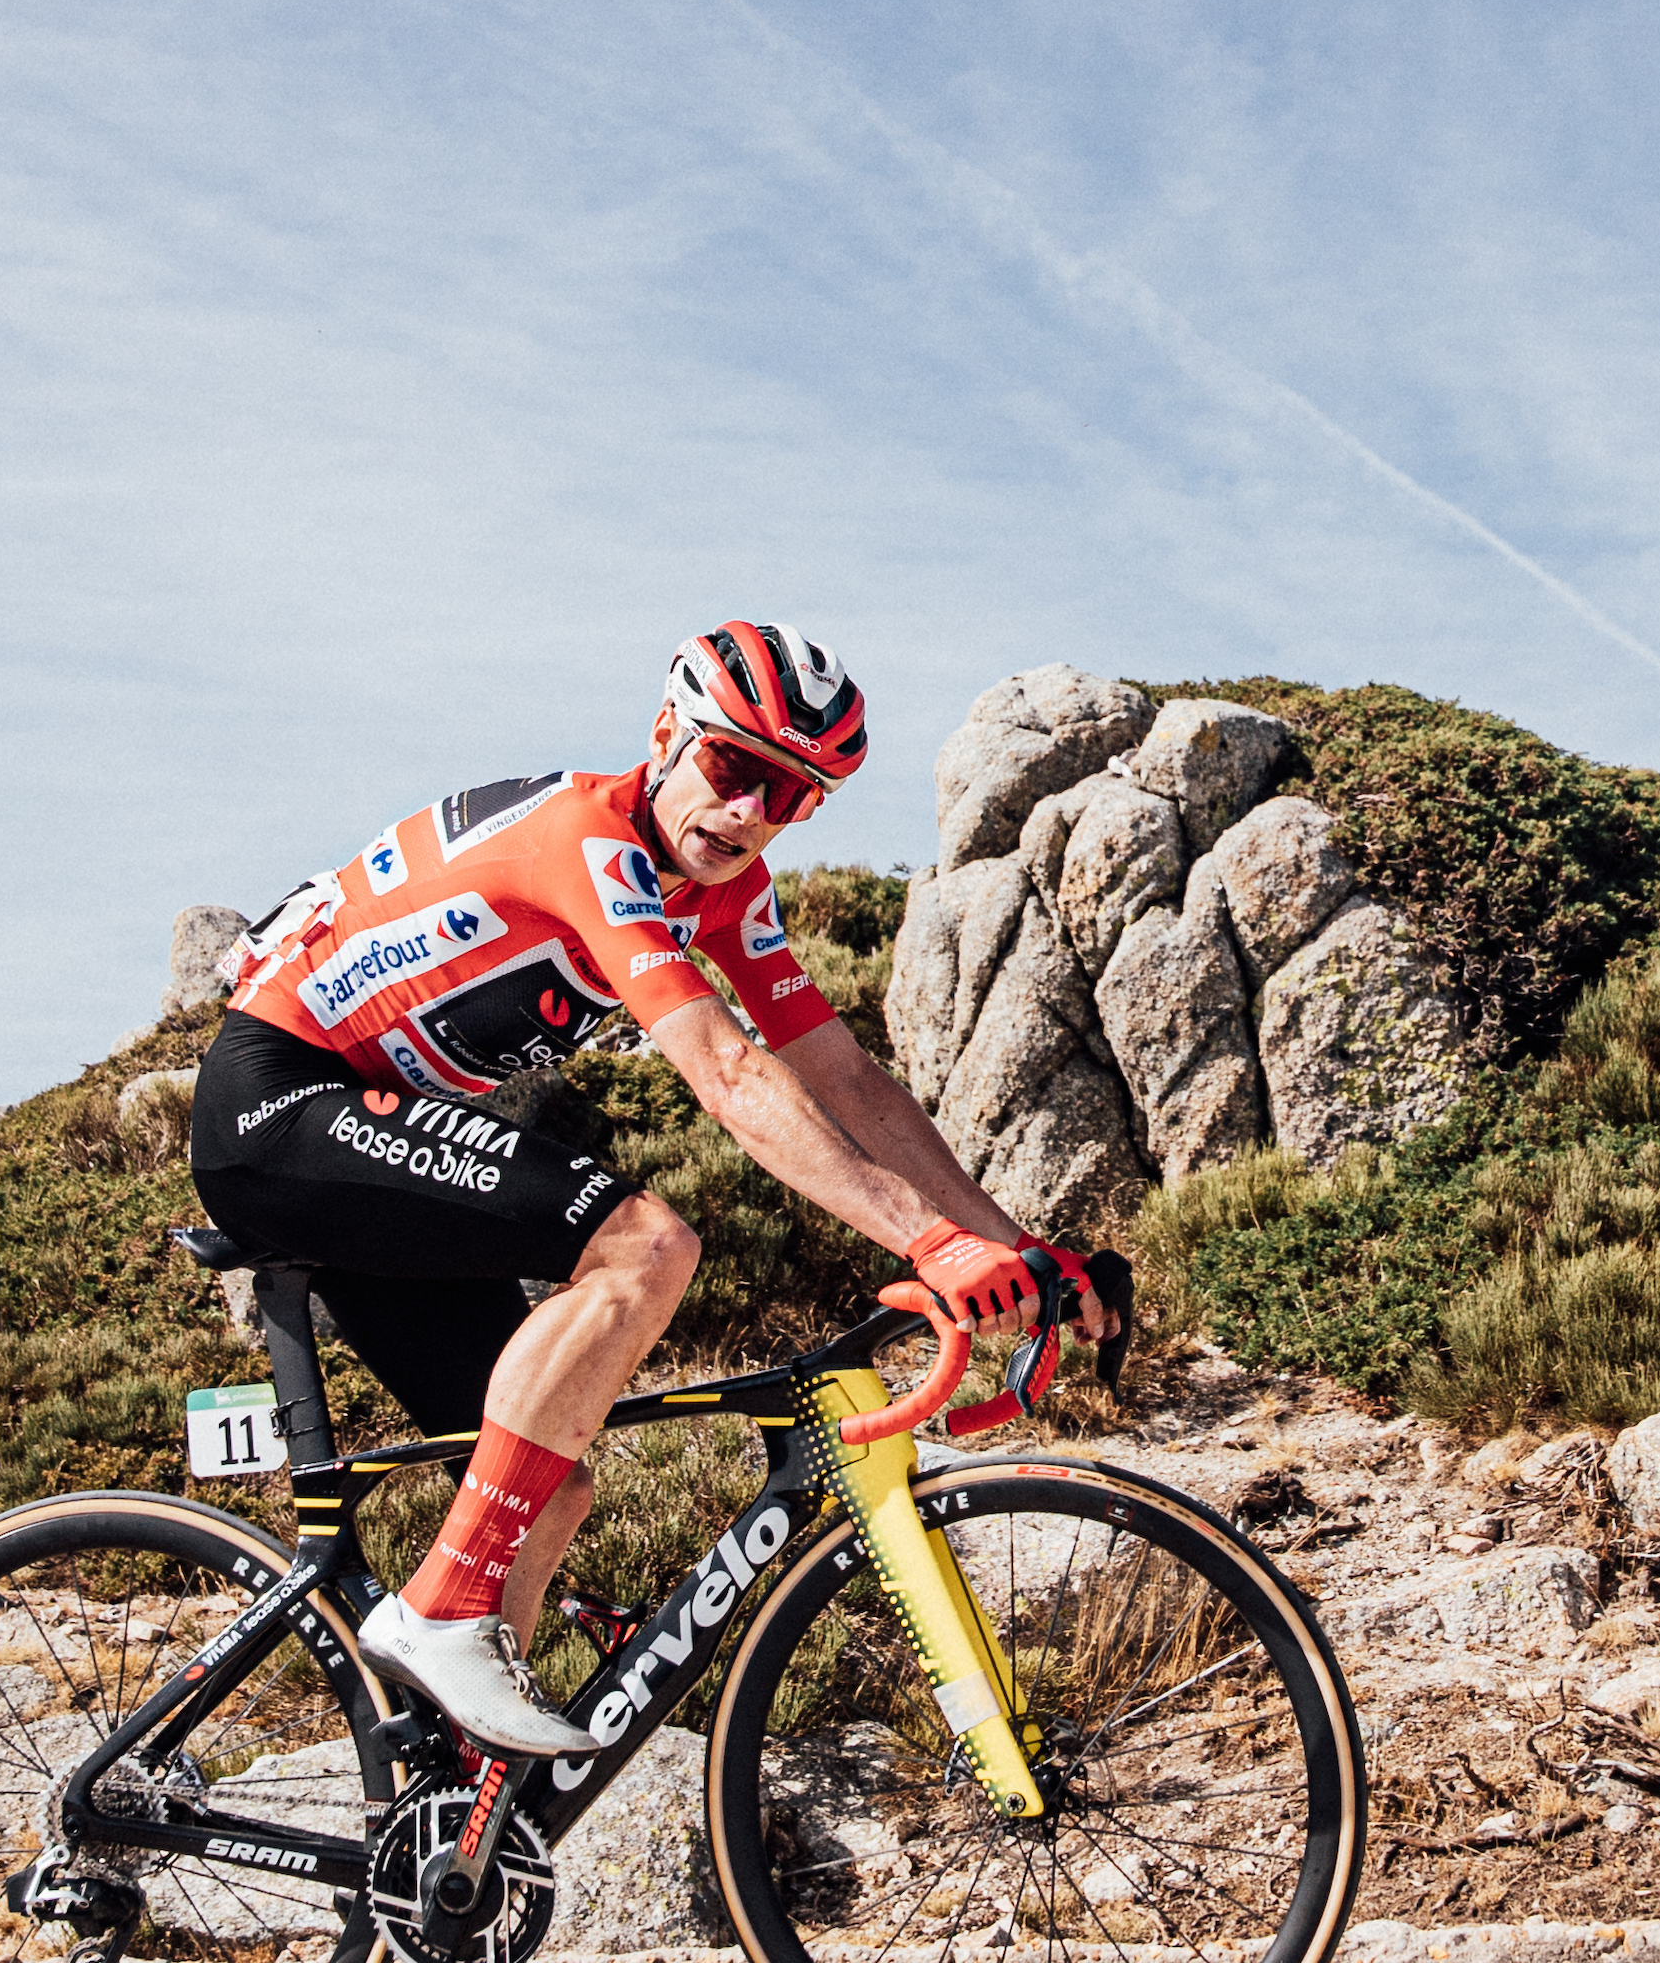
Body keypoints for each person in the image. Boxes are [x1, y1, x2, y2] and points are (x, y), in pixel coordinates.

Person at [188, 619, 1092, 1764]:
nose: (755, 812)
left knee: (542, 1489)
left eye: (797, 795)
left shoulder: (725, 885)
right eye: (736, 769)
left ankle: (450, 1817)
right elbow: (723, 1070)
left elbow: (845, 1078)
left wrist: (1015, 1244)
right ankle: (442, 1611)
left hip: (361, 1129)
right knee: (645, 1243)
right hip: (278, 1105)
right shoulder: (591, 839)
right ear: (668, 733)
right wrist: (927, 1242)